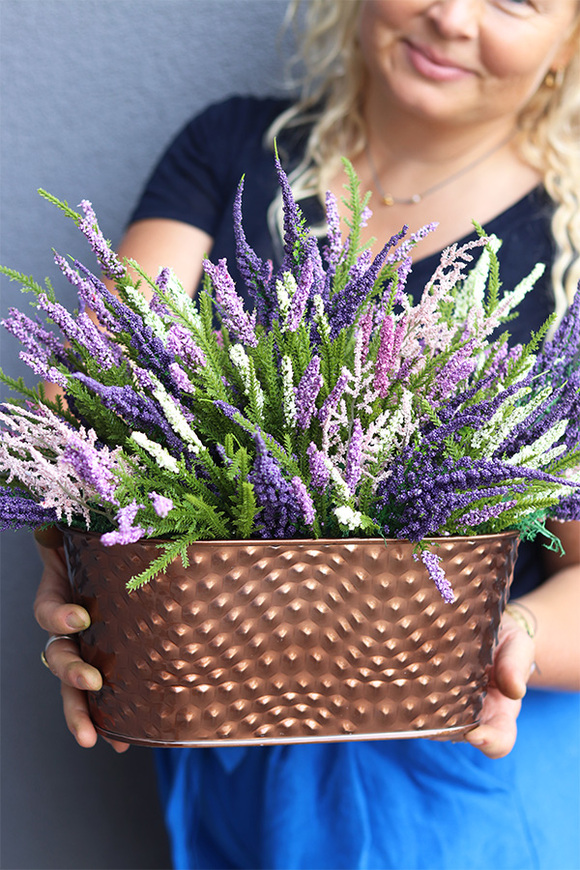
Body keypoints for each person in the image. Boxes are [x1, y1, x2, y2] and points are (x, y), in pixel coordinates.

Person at [34, 1, 580, 868]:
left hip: (443, 779)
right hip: (221, 742)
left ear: (570, 40)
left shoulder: (565, 247)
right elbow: (95, 390)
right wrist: (82, 564)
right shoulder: (233, 148)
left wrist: (506, 637)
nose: (451, 15)